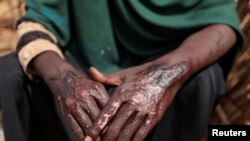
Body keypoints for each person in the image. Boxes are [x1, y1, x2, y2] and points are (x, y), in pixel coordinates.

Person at [0, 0, 244, 141]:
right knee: (11, 73)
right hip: (83, 67)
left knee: (202, 77)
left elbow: (221, 23)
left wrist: (164, 75)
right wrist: (65, 80)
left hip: (168, 61)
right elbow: (36, 23)